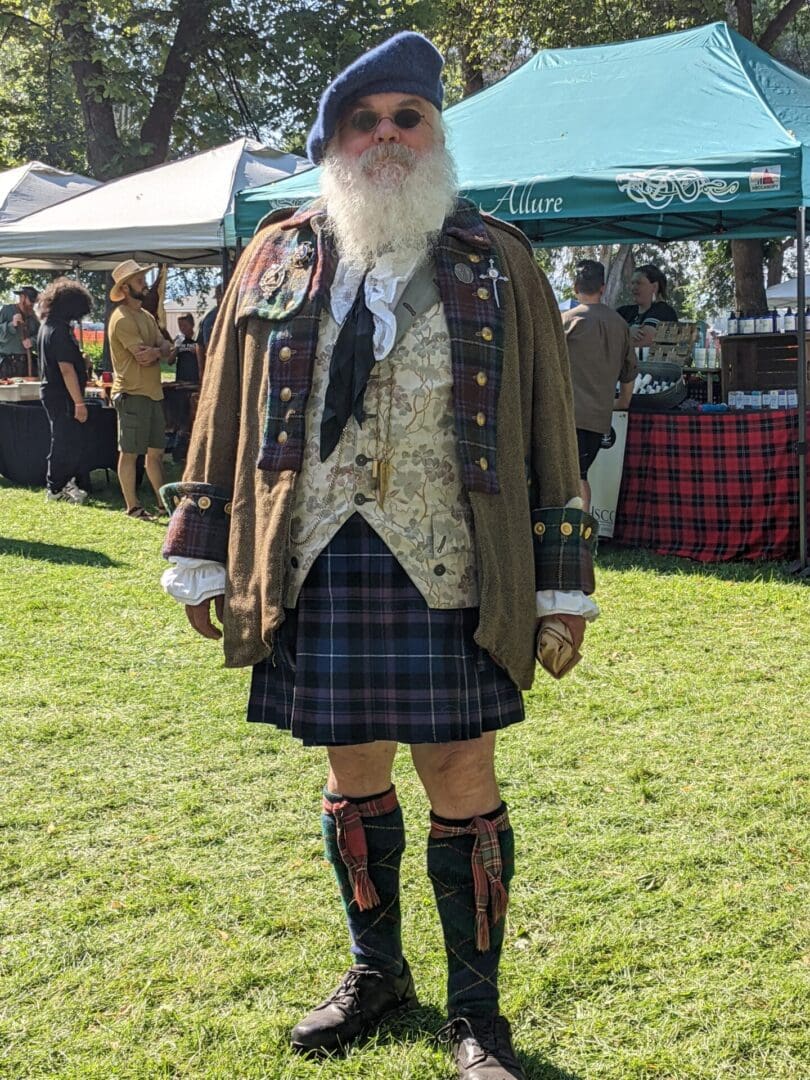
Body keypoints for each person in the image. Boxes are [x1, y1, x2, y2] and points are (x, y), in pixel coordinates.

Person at [159, 32, 598, 1080]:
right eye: (366, 120)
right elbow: (222, 403)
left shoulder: (499, 259)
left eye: (410, 118)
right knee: (351, 772)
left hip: (458, 561)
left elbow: (546, 425)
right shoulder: (277, 252)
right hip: (316, 559)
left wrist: (562, 583)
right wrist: (203, 548)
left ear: (438, 136)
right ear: (333, 142)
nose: (388, 136)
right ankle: (376, 972)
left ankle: (477, 1015)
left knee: (461, 772)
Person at [562, 260, 638, 508]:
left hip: (565, 415)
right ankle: (579, 537)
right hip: (598, 417)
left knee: (574, 477)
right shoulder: (620, 325)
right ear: (603, 288)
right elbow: (629, 374)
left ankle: (576, 538)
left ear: (575, 287)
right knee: (579, 474)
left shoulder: (565, 321)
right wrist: (619, 402)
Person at [108, 259, 171, 521]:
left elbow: (167, 349)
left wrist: (157, 351)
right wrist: (160, 351)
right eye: (138, 280)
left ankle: (163, 505)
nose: (144, 283)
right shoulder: (121, 319)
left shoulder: (146, 316)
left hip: (153, 393)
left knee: (156, 453)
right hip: (132, 394)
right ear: (124, 288)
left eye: (142, 278)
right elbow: (147, 356)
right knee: (129, 453)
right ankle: (133, 507)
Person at [37, 278, 93, 504]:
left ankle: (64, 481)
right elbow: (66, 369)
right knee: (63, 440)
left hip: (52, 391)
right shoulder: (59, 331)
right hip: (62, 394)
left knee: (62, 438)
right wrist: (79, 403)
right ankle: (56, 487)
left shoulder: (47, 326)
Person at [617, 263, 678, 355]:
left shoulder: (663, 311)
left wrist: (620, 333)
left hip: (651, 368)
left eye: (639, 283)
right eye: (632, 283)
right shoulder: (624, 311)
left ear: (654, 287)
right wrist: (628, 332)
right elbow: (600, 332)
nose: (633, 288)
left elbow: (642, 341)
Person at [0, 285, 40, 377]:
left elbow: (41, 337)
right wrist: (11, 325)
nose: (32, 305)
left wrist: (32, 341)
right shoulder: (7, 311)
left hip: (27, 365)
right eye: (31, 301)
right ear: (22, 297)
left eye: (34, 303)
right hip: (7, 365)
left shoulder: (33, 317)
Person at [195, 284, 222, 384]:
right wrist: (202, 370)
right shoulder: (210, 317)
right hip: (214, 365)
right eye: (218, 297)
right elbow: (201, 345)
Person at [170, 313, 199, 383]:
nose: (182, 328)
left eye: (185, 326)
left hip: (195, 379)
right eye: (180, 326)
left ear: (192, 325)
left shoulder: (198, 339)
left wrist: (197, 352)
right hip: (180, 379)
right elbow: (170, 362)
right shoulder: (179, 340)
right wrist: (177, 347)